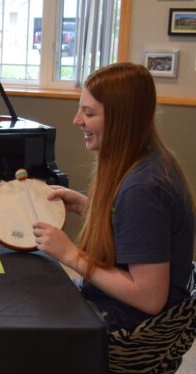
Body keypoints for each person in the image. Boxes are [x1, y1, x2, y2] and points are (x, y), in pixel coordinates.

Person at [33, 62, 194, 331]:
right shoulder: (149, 160)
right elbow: (139, 231)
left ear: (122, 120)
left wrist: (71, 255)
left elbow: (149, 297)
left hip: (129, 328)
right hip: (116, 306)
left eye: (89, 113)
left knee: (22, 322)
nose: (77, 120)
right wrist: (89, 206)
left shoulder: (143, 188)